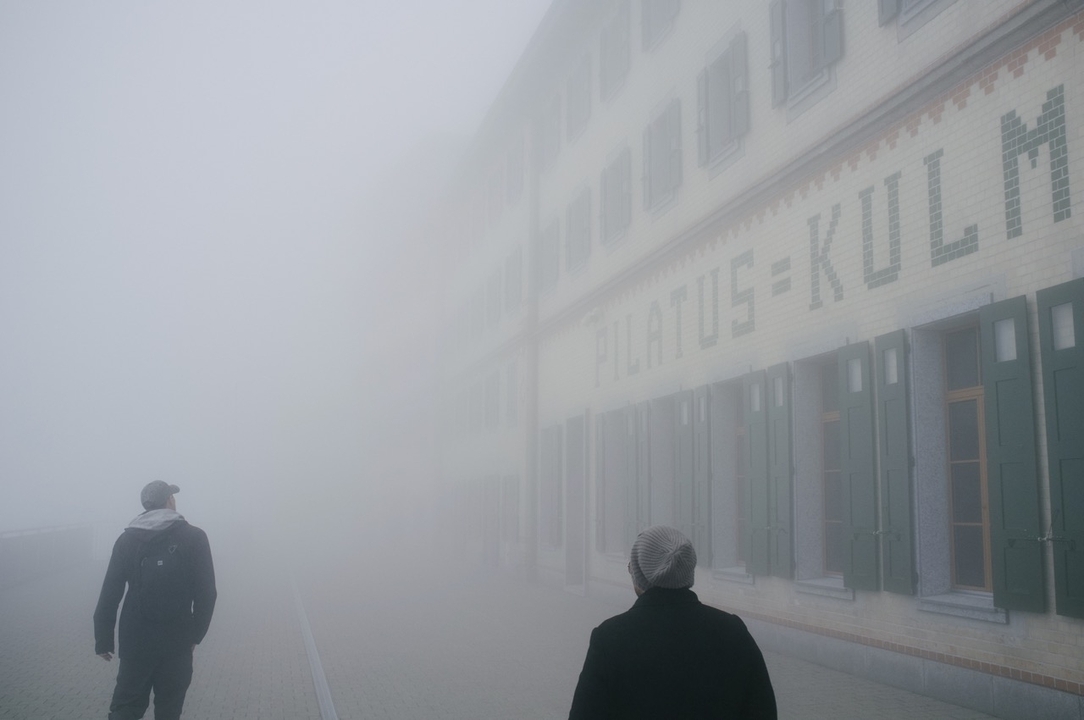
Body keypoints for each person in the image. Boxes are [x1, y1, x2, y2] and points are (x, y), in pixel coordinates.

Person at [568, 525, 777, 719]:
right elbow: (763, 711)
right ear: (688, 573)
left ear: (639, 575)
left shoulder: (610, 638)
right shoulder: (733, 631)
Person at [94, 481, 217, 720]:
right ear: (170, 501)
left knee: (126, 707)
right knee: (169, 709)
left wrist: (103, 639)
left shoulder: (127, 540)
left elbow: (111, 591)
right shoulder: (194, 536)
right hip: (177, 638)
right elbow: (207, 592)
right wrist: (195, 634)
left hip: (135, 639)